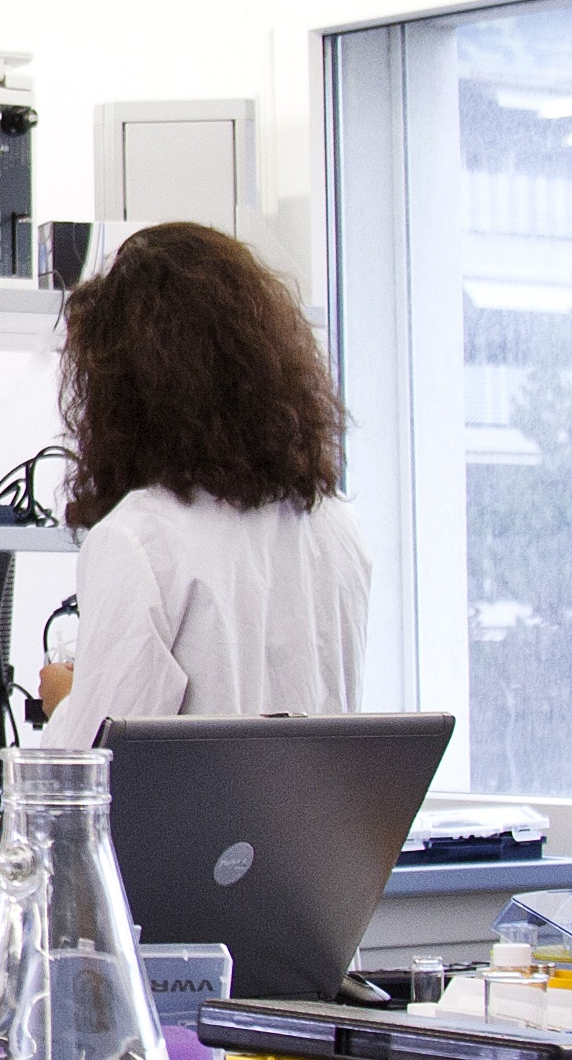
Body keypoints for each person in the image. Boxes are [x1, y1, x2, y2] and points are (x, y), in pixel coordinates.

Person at [33, 219, 369, 729]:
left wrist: (64, 703)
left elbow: (96, 767)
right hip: (309, 812)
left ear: (124, 389)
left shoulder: (141, 539)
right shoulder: (336, 525)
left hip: (188, 813)